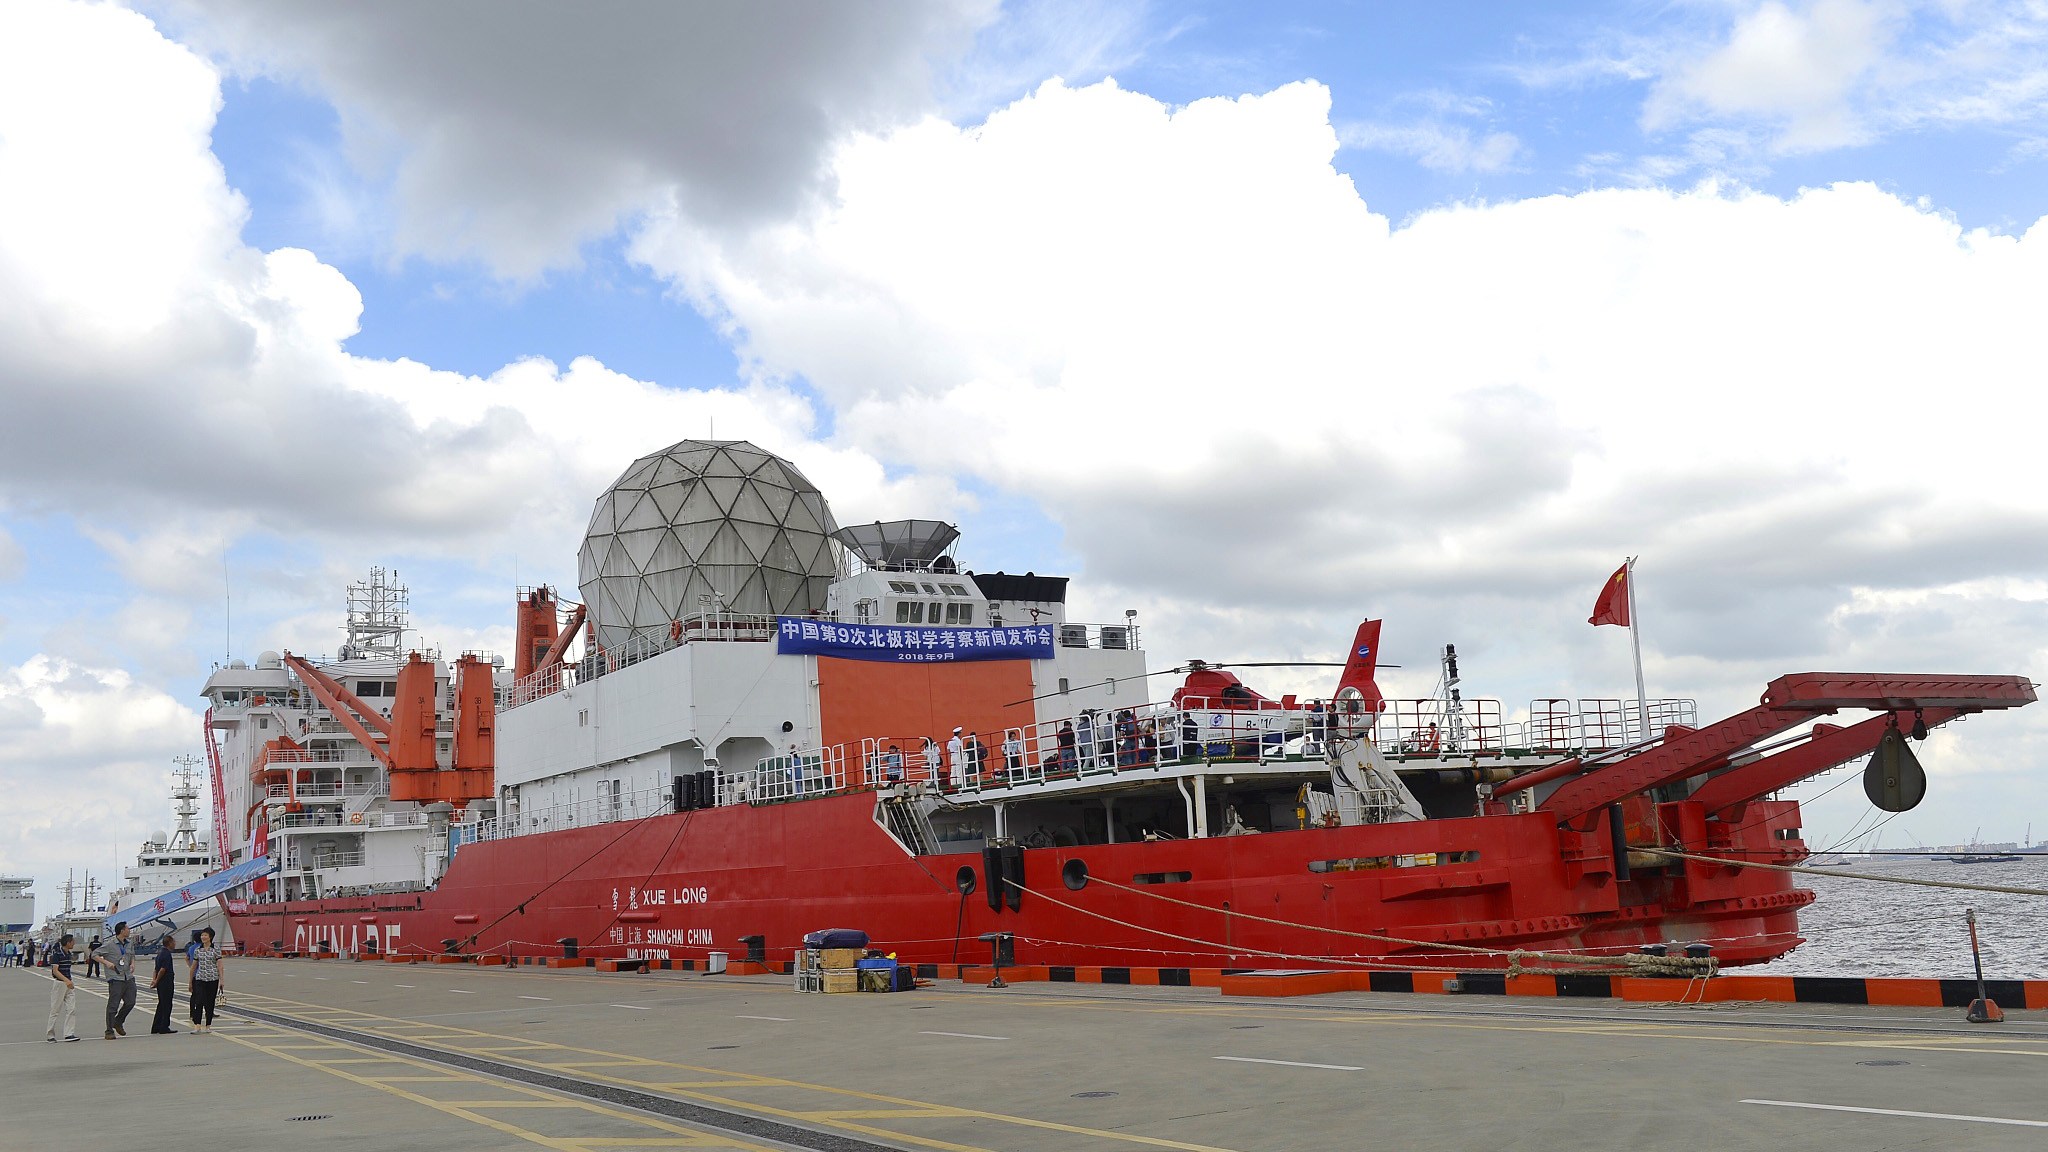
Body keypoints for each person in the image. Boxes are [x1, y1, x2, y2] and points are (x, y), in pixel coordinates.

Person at [96, 921, 138, 1040]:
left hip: (128, 977)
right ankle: (109, 1030)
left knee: (131, 1002)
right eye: (127, 928)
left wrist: (132, 964)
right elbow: (95, 954)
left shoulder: (129, 943)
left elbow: (132, 955)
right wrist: (106, 962)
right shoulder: (109, 944)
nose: (129, 930)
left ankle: (118, 1021)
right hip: (115, 978)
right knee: (113, 1005)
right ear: (122, 931)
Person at [188, 927, 224, 1034]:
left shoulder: (216, 949)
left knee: (209, 1003)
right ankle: (197, 1026)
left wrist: (222, 980)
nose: (203, 937)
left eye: (205, 935)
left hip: (213, 978)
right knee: (198, 1001)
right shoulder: (198, 950)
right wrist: (190, 981)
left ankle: (208, 1025)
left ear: (210, 937)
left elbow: (220, 965)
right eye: (202, 935)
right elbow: (193, 966)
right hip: (200, 978)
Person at [46, 932, 80, 1042]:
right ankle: (50, 1034)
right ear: (68, 942)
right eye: (72, 941)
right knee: (55, 1010)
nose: (74, 943)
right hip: (60, 983)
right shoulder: (57, 954)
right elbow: (55, 971)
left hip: (68, 983)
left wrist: (69, 981)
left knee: (71, 1009)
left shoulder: (68, 954)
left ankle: (69, 1033)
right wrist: (66, 980)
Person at [149, 933, 180, 1034]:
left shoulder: (160, 953)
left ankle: (156, 1026)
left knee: (161, 1004)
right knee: (167, 1005)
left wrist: (154, 980)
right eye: (173, 942)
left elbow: (156, 969)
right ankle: (164, 1027)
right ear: (170, 943)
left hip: (161, 982)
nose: (175, 944)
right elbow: (162, 970)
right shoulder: (167, 954)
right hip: (166, 981)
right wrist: (157, 981)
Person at [946, 727, 966, 792]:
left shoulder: (951, 740)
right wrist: (961, 756)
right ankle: (959, 784)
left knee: (953, 770)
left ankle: (953, 783)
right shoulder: (957, 740)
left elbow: (948, 749)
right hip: (957, 755)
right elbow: (960, 748)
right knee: (958, 770)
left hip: (952, 756)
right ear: (959, 733)